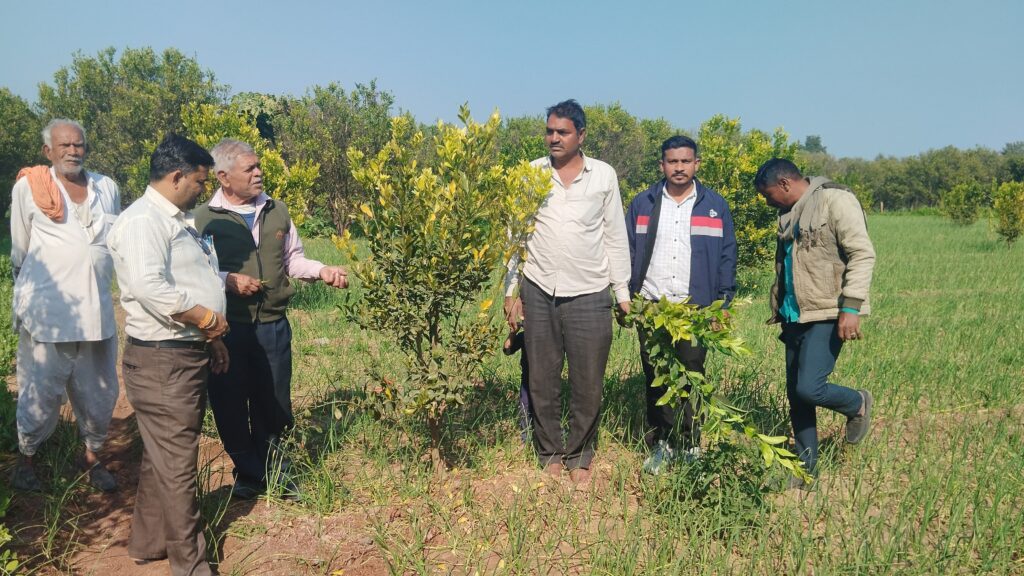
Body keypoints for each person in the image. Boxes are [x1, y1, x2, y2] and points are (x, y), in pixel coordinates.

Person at [193, 139, 348, 500]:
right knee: (229, 403)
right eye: (250, 168)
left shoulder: (277, 211)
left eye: (258, 166)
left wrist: (322, 270)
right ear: (223, 178)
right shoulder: (202, 218)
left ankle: (277, 472)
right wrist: (227, 281)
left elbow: (293, 259)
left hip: (273, 325)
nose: (259, 172)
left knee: (274, 401)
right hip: (225, 329)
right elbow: (193, 272)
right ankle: (247, 474)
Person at [107, 134, 229, 575]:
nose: (203, 189)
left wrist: (211, 338)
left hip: (183, 352)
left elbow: (194, 279)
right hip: (163, 360)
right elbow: (148, 286)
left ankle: (148, 542)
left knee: (164, 456)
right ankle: (191, 566)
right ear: (177, 176)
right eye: (199, 181)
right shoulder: (144, 221)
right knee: (178, 465)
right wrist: (206, 318)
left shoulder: (177, 219)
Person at [503, 99, 631, 484]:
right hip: (539, 287)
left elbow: (614, 235)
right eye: (549, 131)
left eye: (563, 132)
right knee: (542, 376)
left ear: (581, 135)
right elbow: (517, 235)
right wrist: (512, 290)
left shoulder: (604, 176)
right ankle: (550, 453)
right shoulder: (531, 174)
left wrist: (621, 293)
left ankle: (580, 454)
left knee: (588, 380)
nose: (554, 138)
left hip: (590, 291)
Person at [8, 119, 121, 493]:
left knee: (100, 392)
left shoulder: (107, 187)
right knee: (40, 390)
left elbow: (111, 243)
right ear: (48, 152)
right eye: (64, 146)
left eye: (79, 144)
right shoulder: (31, 186)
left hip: (97, 311)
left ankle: (91, 457)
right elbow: (21, 248)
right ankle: (27, 460)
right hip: (49, 314)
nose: (73, 151)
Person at [753, 158, 875, 488]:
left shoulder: (836, 200)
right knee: (797, 394)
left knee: (811, 387)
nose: (767, 202)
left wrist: (851, 307)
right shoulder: (788, 212)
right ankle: (806, 471)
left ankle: (857, 403)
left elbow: (862, 254)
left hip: (827, 311)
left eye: (767, 196)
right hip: (795, 315)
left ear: (784, 185)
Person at [625, 135, 737, 475]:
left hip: (695, 309)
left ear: (696, 164)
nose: (678, 167)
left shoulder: (714, 206)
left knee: (692, 377)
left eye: (685, 161)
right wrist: (627, 296)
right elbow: (627, 250)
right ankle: (660, 444)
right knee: (656, 377)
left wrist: (722, 304)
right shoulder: (642, 203)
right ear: (662, 165)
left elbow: (727, 257)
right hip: (653, 307)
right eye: (672, 161)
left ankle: (689, 444)